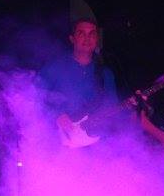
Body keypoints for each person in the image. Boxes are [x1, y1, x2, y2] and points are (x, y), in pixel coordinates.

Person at [38, 18, 119, 148]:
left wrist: (133, 107)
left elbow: (112, 106)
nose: (87, 38)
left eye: (92, 34)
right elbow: (34, 96)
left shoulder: (105, 73)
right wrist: (56, 114)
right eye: (82, 34)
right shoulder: (54, 68)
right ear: (72, 39)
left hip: (95, 144)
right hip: (56, 142)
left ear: (97, 40)